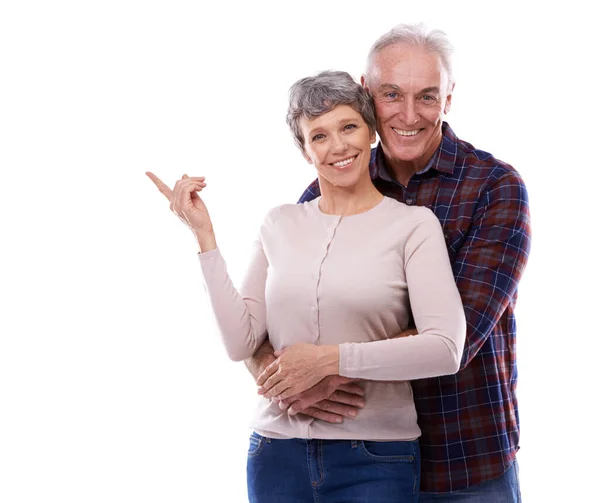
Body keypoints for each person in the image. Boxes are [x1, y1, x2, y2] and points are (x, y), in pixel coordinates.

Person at [147, 70, 466, 502]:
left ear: (371, 131)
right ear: (304, 150)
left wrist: (328, 362)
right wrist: (205, 238)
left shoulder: (412, 226)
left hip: (376, 457)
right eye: (318, 136)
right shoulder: (280, 222)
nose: (337, 146)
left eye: (348, 127)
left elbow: (445, 348)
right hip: (275, 452)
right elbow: (240, 342)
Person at [247, 24, 532, 502]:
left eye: (427, 97)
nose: (408, 114)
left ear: (449, 99)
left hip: (464, 459)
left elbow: (458, 334)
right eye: (391, 94)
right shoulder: (325, 188)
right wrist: (275, 378)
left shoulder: (494, 188)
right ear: (365, 93)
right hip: (350, 454)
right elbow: (276, 320)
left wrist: (325, 370)